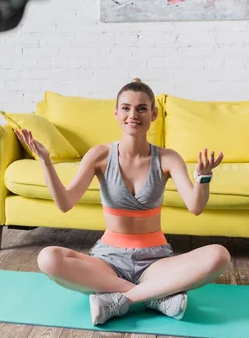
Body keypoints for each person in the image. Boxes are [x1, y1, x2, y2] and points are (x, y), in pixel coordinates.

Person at [15, 79, 231, 325]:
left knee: (219, 255)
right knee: (47, 258)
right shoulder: (100, 155)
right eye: (126, 108)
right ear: (116, 112)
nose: (133, 115)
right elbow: (65, 203)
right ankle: (154, 296)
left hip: (156, 261)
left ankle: (121, 300)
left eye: (141, 108)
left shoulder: (168, 158)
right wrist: (45, 161)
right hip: (108, 261)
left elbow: (196, 206)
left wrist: (204, 177)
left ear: (153, 114)